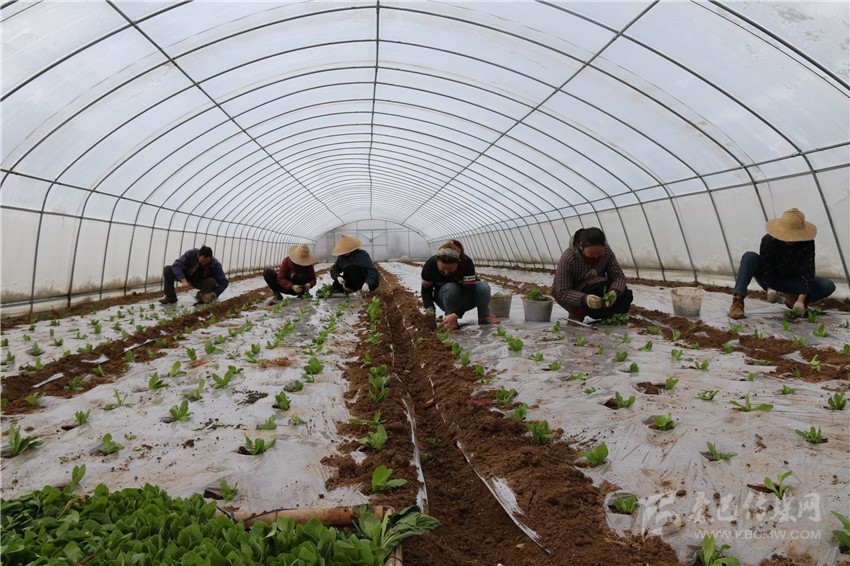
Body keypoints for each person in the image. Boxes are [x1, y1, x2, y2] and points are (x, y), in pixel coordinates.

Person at [728, 208, 835, 319]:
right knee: (749, 256)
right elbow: (766, 269)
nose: (790, 239)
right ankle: (737, 301)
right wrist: (769, 289)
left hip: (794, 281)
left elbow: (807, 272)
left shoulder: (807, 244)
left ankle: (793, 300)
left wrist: (800, 300)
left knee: (827, 286)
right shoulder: (768, 240)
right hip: (771, 279)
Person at [552, 227, 633, 321]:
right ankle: (577, 313)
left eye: (600, 253)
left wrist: (614, 292)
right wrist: (585, 299)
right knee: (584, 305)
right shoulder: (569, 258)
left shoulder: (607, 252)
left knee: (625, 294)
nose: (596, 256)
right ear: (581, 246)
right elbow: (562, 291)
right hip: (573, 291)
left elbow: (618, 277)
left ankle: (608, 317)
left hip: (595, 285)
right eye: (592, 253)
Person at [421, 240, 499, 330]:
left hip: (466, 298)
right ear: (437, 261)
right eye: (442, 270)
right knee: (451, 287)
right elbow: (426, 291)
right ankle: (450, 320)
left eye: (450, 270)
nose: (446, 272)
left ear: (458, 263)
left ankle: (484, 317)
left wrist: (456, 314)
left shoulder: (466, 263)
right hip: (444, 299)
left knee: (483, 287)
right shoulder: (430, 266)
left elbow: (469, 292)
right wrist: (430, 308)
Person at [160, 245, 228, 305]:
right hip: (186, 276)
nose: (204, 264)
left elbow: (224, 282)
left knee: (212, 282)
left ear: (210, 258)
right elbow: (176, 265)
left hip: (200, 281)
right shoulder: (191, 254)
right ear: (198, 255)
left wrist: (213, 294)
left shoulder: (215, 264)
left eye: (206, 263)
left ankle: (200, 297)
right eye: (202, 262)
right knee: (168, 269)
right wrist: (183, 280)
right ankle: (170, 297)